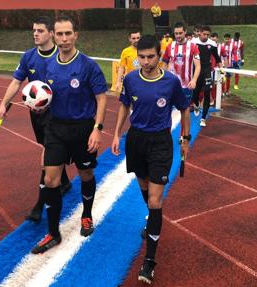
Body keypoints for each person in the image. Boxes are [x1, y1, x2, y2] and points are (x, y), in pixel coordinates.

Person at [111, 35, 191, 285]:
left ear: (160, 56)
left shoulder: (171, 81)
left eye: (150, 57)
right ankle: (152, 220)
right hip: (136, 141)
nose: (145, 62)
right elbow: (125, 105)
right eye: (141, 57)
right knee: (145, 189)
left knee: (155, 201)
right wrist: (116, 134)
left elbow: (184, 107)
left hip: (160, 143)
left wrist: (185, 138)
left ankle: (150, 261)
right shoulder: (131, 79)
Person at [31, 15, 108, 254]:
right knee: (50, 180)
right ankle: (53, 233)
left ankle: (86, 214)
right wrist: (38, 103)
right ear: (53, 35)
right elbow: (45, 94)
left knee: (85, 173)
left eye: (68, 34)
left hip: (83, 128)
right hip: (56, 128)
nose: (64, 39)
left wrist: (97, 128)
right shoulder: (48, 65)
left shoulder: (88, 65)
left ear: (76, 35)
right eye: (59, 34)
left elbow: (101, 98)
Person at [0, 15, 71, 224]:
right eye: (34, 30)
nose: (35, 34)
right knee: (47, 148)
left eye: (40, 30)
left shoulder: (61, 55)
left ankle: (39, 206)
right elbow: (15, 82)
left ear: (51, 34)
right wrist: (3, 104)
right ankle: (64, 182)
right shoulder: (28, 57)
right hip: (36, 113)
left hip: (57, 114)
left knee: (47, 157)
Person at [162, 21, 200, 140]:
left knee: (185, 110)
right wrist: (162, 78)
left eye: (180, 33)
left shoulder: (193, 47)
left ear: (185, 32)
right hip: (171, 85)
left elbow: (198, 65)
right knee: (166, 110)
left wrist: (194, 80)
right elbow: (164, 63)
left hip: (186, 85)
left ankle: (183, 135)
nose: (178, 35)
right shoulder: (170, 46)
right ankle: (166, 134)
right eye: (176, 33)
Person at [192, 25, 223, 127]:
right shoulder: (193, 42)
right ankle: (196, 104)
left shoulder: (212, 44)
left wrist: (222, 72)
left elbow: (217, 58)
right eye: (204, 34)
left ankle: (203, 118)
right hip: (196, 71)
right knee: (195, 93)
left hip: (207, 71)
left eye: (207, 35)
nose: (205, 36)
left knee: (206, 93)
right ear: (199, 33)